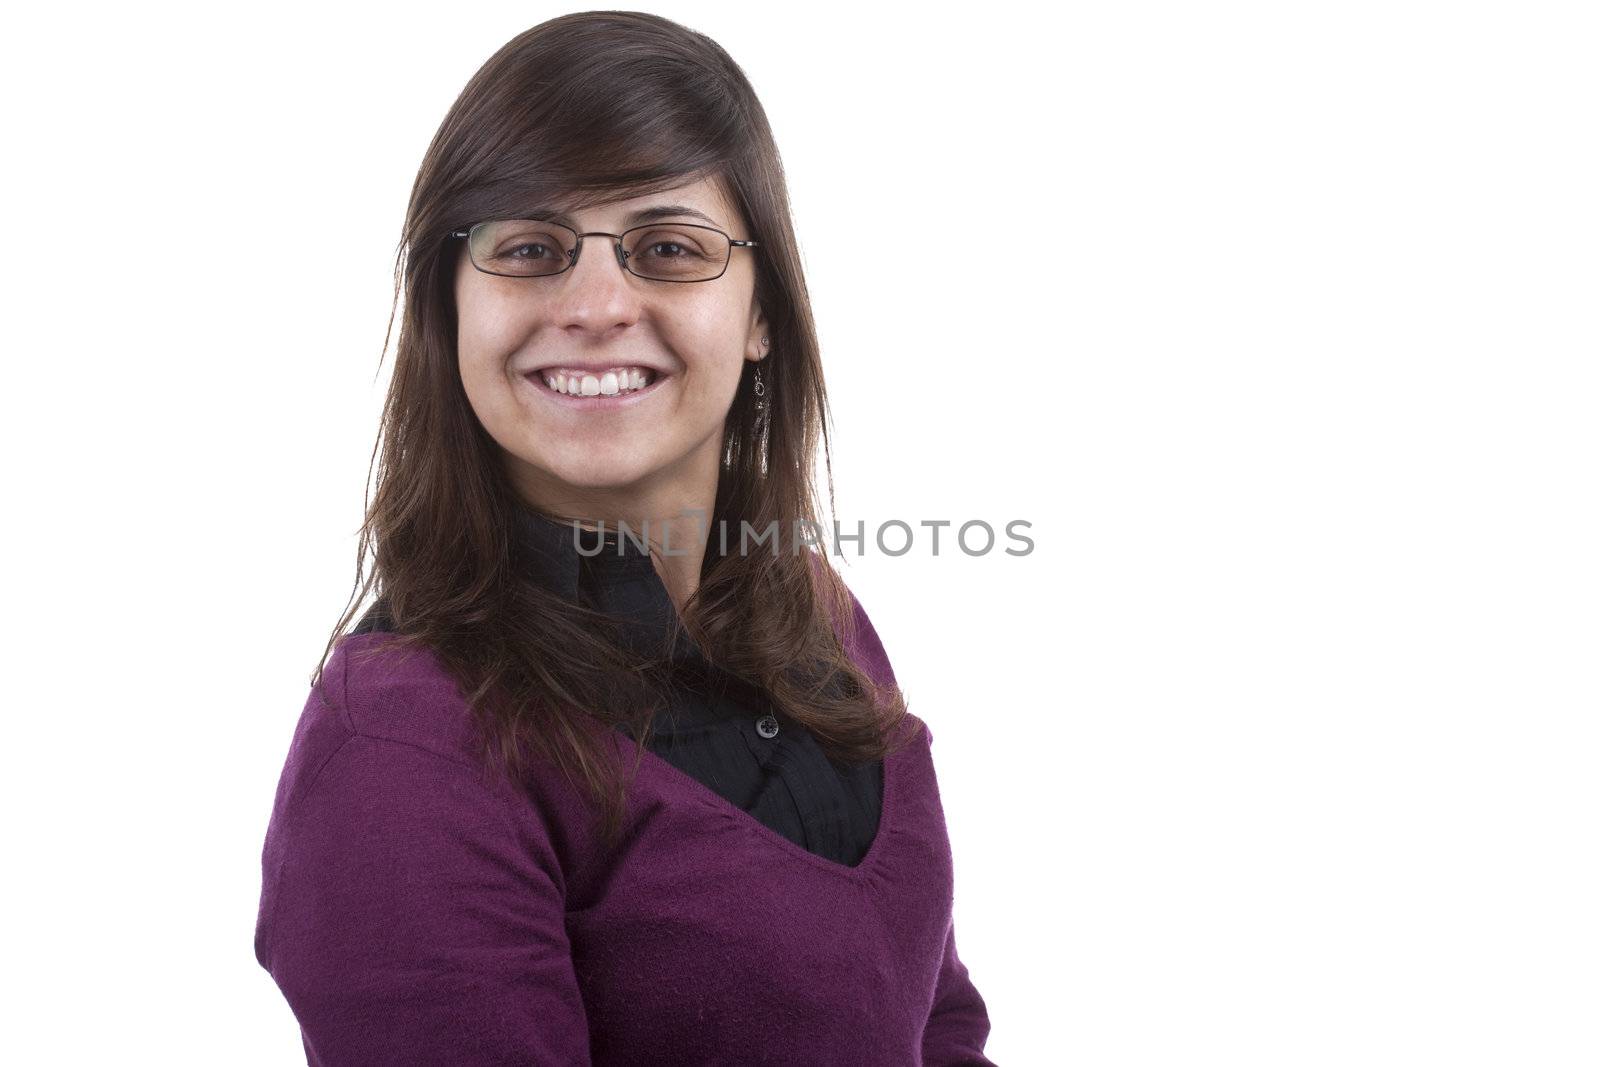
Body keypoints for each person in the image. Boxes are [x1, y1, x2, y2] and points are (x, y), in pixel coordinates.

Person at [252, 11, 995, 1065]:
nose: (597, 304)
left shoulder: (817, 615)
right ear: (448, 308)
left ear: (761, 313)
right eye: (529, 249)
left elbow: (937, 1018)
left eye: (666, 249)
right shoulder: (403, 741)